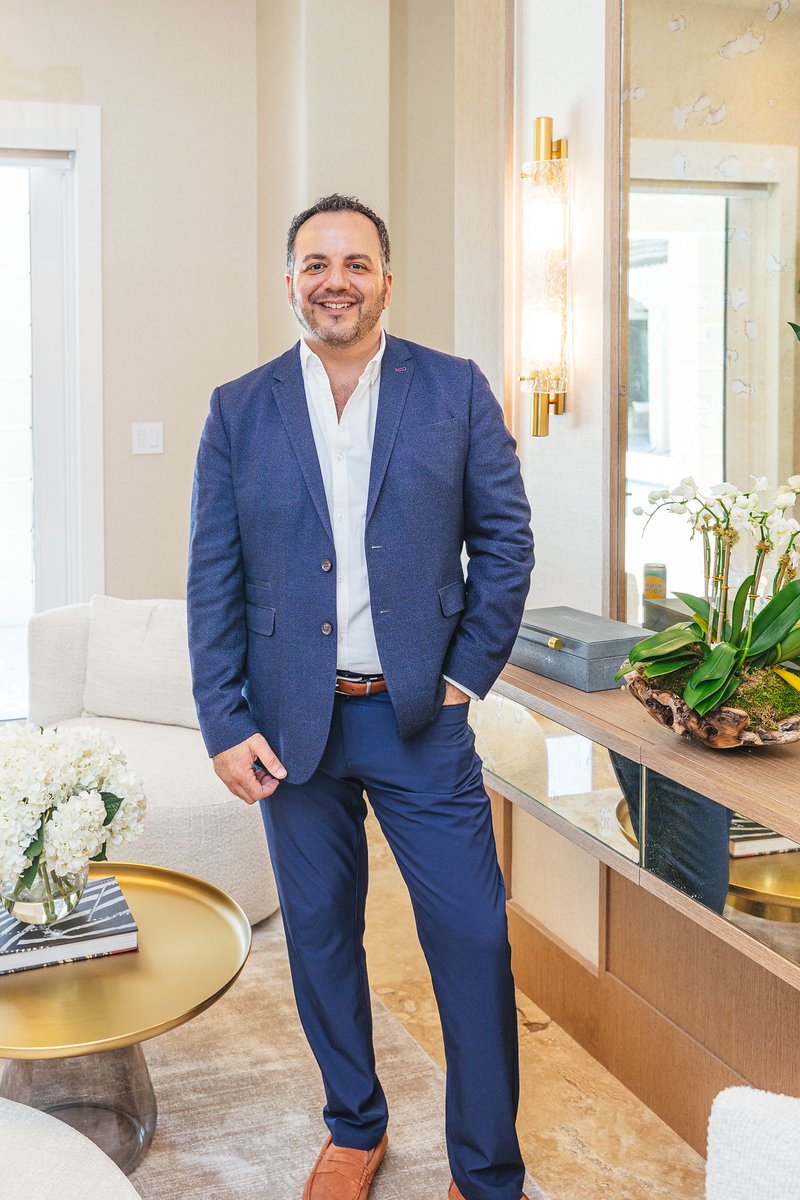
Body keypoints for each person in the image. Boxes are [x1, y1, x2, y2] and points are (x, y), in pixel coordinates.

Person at [187, 194, 535, 1200]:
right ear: (289, 281)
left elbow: (505, 542)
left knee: (473, 938)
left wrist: (464, 676)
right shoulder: (239, 408)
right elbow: (213, 576)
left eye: (353, 263)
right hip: (290, 727)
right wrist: (224, 719)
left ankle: (487, 1170)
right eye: (315, 264)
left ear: (386, 279)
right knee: (321, 935)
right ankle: (354, 1126)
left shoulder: (454, 390)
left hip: (421, 718)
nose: (333, 280)